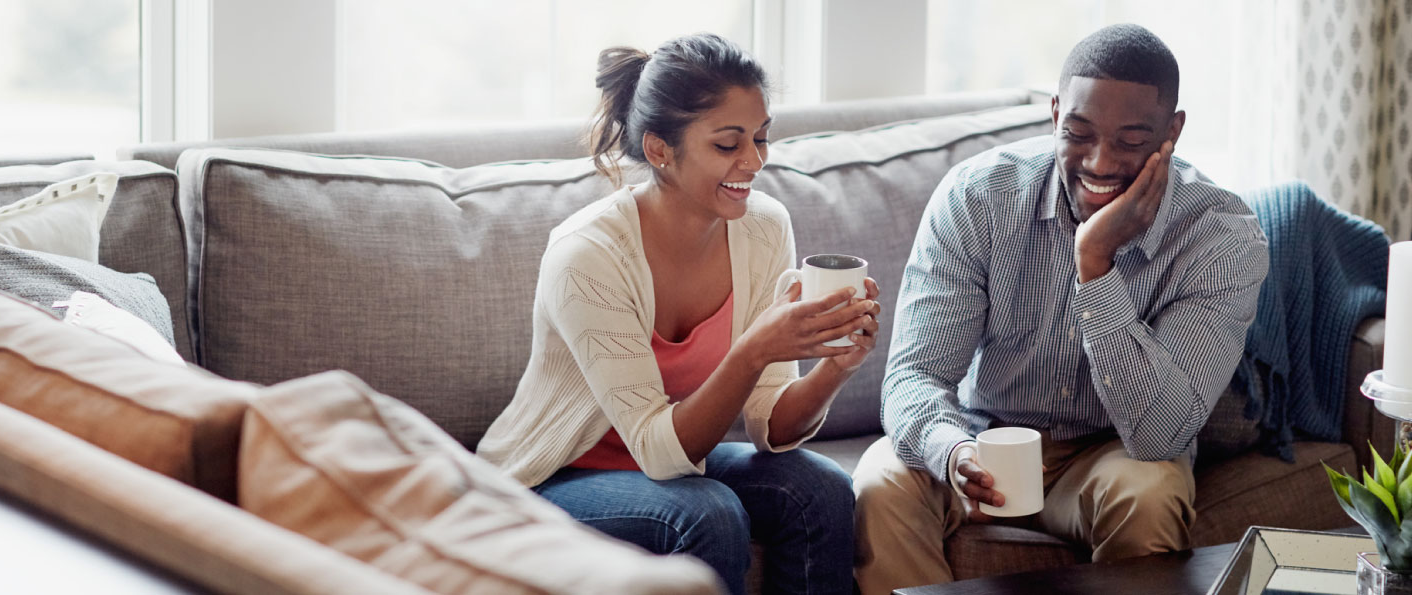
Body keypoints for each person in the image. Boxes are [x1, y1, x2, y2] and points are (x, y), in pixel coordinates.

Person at [851, 24, 1269, 593]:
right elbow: (913, 376)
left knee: (1149, 493)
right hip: (983, 437)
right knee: (881, 481)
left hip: (1112, 451)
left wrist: (1094, 263)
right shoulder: (978, 197)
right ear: (1053, 115)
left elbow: (1158, 436)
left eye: (1129, 140)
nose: (1099, 163)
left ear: (1172, 131)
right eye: (1078, 132)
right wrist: (952, 451)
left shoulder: (1220, 237)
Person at [476, 33, 874, 595]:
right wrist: (756, 347)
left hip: (675, 468)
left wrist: (837, 363)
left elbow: (772, 428)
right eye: (728, 144)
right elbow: (661, 454)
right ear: (660, 149)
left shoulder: (762, 227)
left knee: (822, 489)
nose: (754, 161)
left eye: (761, 138)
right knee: (705, 514)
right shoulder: (588, 254)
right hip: (555, 477)